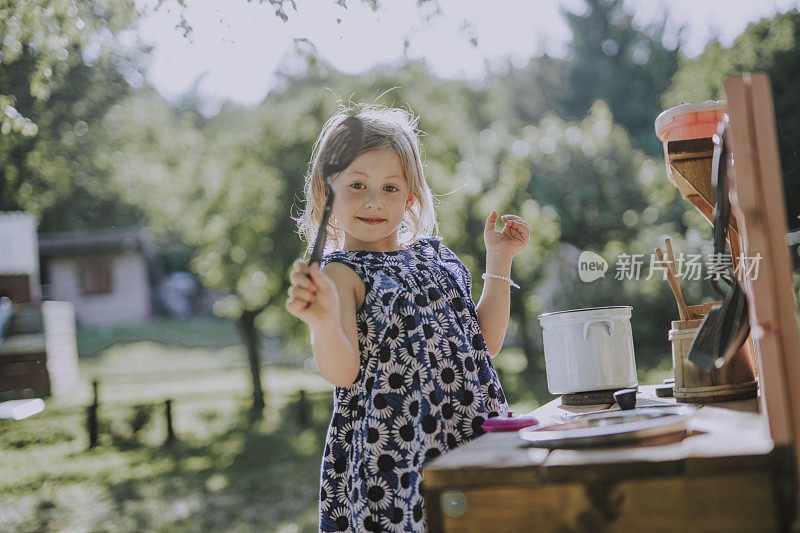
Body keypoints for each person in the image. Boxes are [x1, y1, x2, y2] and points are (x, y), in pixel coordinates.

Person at [286, 105, 529, 532]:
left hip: (469, 433)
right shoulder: (342, 276)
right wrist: (323, 321)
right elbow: (343, 372)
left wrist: (500, 258)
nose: (373, 201)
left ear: (410, 197)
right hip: (397, 459)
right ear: (327, 194)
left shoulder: (436, 258)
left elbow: (482, 346)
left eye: (390, 188)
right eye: (357, 185)